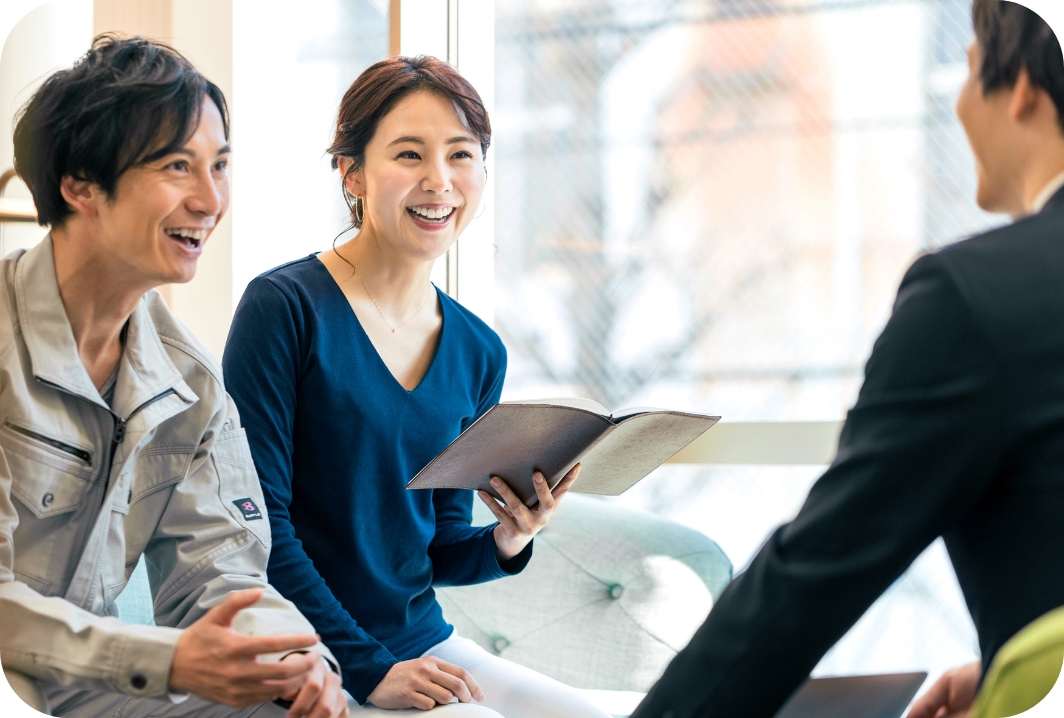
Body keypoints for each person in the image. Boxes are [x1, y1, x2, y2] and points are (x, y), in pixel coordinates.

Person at [630, 2, 1064, 717]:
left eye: (968, 72)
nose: (959, 106)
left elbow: (815, 572)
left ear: (1019, 88)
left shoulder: (974, 298)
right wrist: (1024, 669)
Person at [221, 57, 610, 718]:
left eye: (462, 154)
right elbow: (257, 528)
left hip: (418, 642)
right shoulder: (283, 308)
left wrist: (511, 538)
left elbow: (438, 549)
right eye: (409, 154)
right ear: (352, 174)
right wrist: (369, 671)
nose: (439, 181)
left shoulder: (477, 349)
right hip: (303, 653)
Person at [0, 36, 348, 718]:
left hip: (82, 690)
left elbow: (221, 570)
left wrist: (292, 661)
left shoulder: (190, 379)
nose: (210, 199)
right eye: (176, 167)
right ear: (79, 185)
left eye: (219, 166)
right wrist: (164, 659)